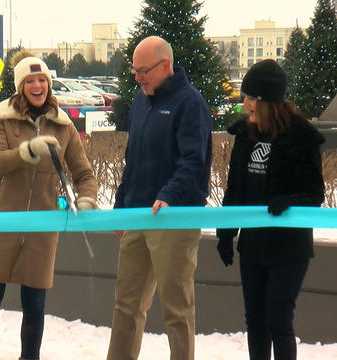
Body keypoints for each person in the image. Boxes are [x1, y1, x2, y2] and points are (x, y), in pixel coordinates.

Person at [0, 52, 98, 360]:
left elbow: (83, 173)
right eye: (30, 81)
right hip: (1, 223)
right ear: (20, 86)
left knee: (35, 307)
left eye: (42, 80)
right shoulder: (1, 118)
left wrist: (87, 198)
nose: (37, 86)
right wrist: (28, 151)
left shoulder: (63, 126)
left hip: (42, 230)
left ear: (49, 85)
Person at [107, 36, 212, 360]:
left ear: (165, 66)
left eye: (144, 71)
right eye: (134, 71)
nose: (138, 77)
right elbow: (133, 159)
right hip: (137, 216)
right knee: (126, 305)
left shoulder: (190, 103)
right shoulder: (141, 101)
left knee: (176, 310)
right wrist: (121, 205)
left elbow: (193, 161)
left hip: (173, 218)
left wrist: (169, 196)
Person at [215, 59, 325, 360]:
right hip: (253, 245)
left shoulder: (300, 136)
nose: (244, 105)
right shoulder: (245, 134)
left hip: (288, 247)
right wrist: (226, 234)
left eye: (250, 98)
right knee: (256, 322)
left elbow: (316, 194)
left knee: (278, 320)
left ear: (264, 101)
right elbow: (234, 189)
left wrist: (289, 200)